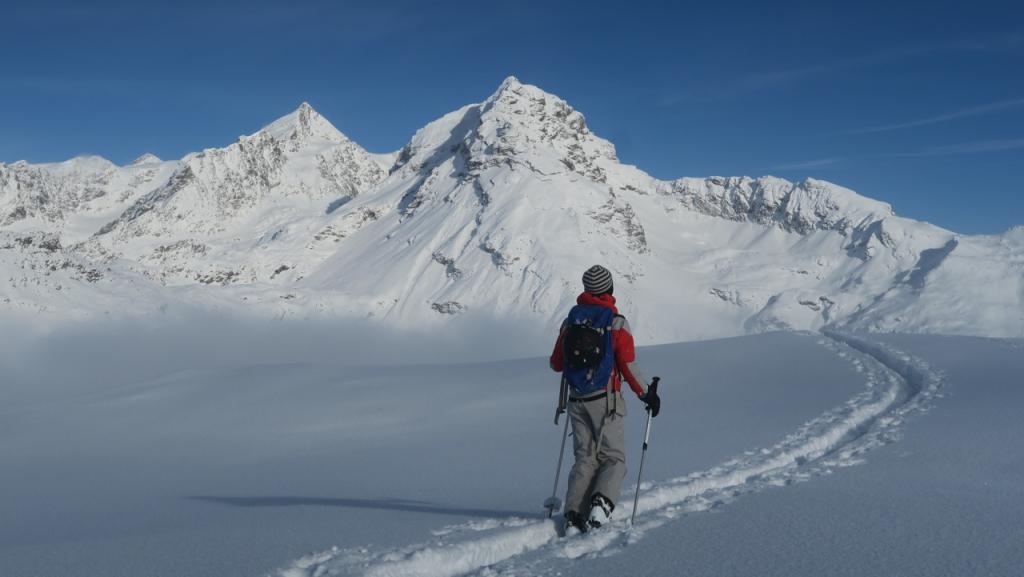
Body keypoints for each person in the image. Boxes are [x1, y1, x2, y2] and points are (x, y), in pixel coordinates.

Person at [549, 264, 660, 532]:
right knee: (613, 458)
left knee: (585, 458)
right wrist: (647, 394)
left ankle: (574, 514)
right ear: (609, 289)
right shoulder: (616, 322)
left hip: (576, 400)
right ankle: (601, 505)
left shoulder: (570, 321)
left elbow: (556, 363)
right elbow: (627, 365)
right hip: (606, 401)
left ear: (586, 290)